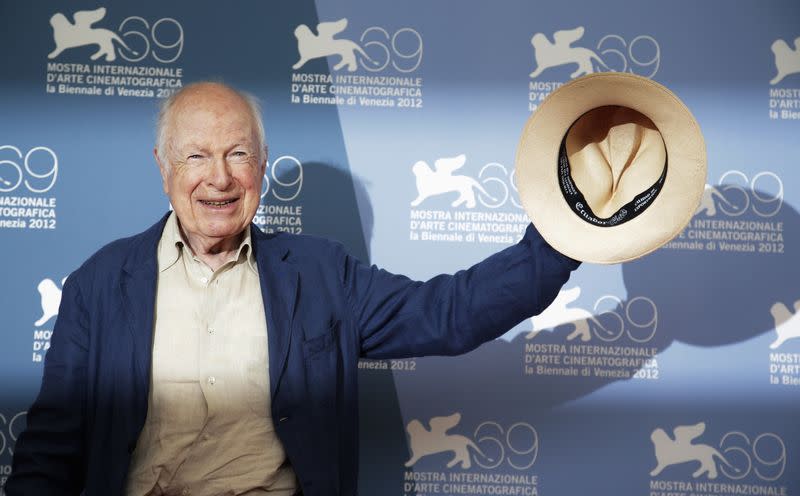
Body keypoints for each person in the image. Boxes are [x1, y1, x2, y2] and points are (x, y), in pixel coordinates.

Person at [6, 82, 579, 495]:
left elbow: (450, 313)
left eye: (238, 154)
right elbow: (52, 445)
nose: (220, 178)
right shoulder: (100, 285)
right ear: (164, 167)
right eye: (196, 156)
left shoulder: (321, 273)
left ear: (261, 166)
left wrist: (566, 231)